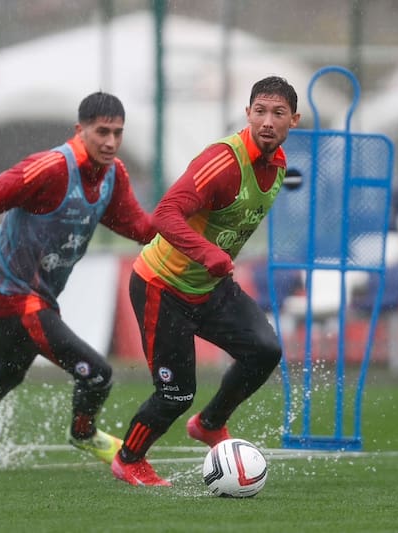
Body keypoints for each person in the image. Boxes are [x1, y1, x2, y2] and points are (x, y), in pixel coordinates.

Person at [0, 91, 155, 472]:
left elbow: (139, 227)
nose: (111, 142)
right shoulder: (50, 169)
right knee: (97, 375)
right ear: (80, 130)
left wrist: (186, 217)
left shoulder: (113, 175)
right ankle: (84, 433)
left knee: (4, 377)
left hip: (38, 297)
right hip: (14, 295)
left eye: (118, 133)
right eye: (102, 132)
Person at [111, 76, 301, 486]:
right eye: (260, 111)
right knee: (176, 395)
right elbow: (164, 214)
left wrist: (214, 261)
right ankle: (129, 458)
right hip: (163, 287)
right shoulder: (223, 162)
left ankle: (211, 423)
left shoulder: (280, 165)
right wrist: (210, 254)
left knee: (265, 350)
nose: (267, 121)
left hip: (210, 288)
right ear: (248, 114)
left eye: (278, 113)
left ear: (294, 120)